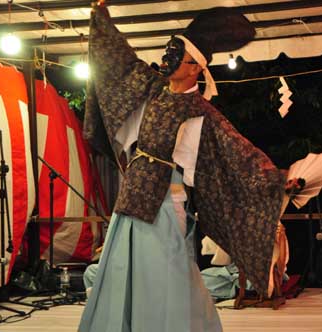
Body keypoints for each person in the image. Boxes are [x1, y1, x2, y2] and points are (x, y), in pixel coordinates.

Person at [78, 2, 297, 332]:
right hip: (134, 192)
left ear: (195, 66)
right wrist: (101, 20)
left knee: (168, 268)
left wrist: (279, 180)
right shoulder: (152, 89)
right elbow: (120, 63)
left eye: (178, 55)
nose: (169, 59)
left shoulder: (202, 111)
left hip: (168, 196)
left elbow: (241, 153)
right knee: (125, 265)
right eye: (171, 51)